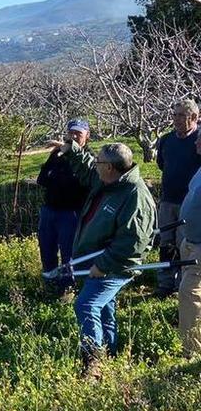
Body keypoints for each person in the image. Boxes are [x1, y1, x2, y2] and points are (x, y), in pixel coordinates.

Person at [58, 141, 155, 379]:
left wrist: (102, 265)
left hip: (114, 265)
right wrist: (72, 151)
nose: (96, 164)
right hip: (96, 260)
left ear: (110, 167)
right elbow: (88, 169)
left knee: (86, 305)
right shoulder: (107, 181)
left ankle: (94, 362)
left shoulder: (135, 196)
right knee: (103, 307)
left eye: (99, 161)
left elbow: (132, 242)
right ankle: (110, 351)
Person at [37, 119, 91, 298]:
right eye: (71, 133)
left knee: (69, 253)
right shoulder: (57, 154)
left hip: (71, 213)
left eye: (79, 134)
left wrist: (58, 180)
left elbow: (85, 185)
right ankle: (50, 285)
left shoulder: (88, 159)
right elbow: (42, 179)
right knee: (47, 248)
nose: (74, 137)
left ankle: (67, 288)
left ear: (87, 136)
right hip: (49, 210)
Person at [154, 99, 201, 298]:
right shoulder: (166, 140)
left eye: (182, 115)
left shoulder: (199, 139)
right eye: (175, 115)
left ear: (194, 117)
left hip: (189, 203)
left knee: (185, 244)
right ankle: (165, 282)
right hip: (168, 200)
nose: (177, 119)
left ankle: (182, 284)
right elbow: (162, 164)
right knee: (166, 243)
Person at [177, 136, 201, 357]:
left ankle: (191, 352)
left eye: (200, 140)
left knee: (188, 293)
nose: (195, 143)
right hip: (190, 241)